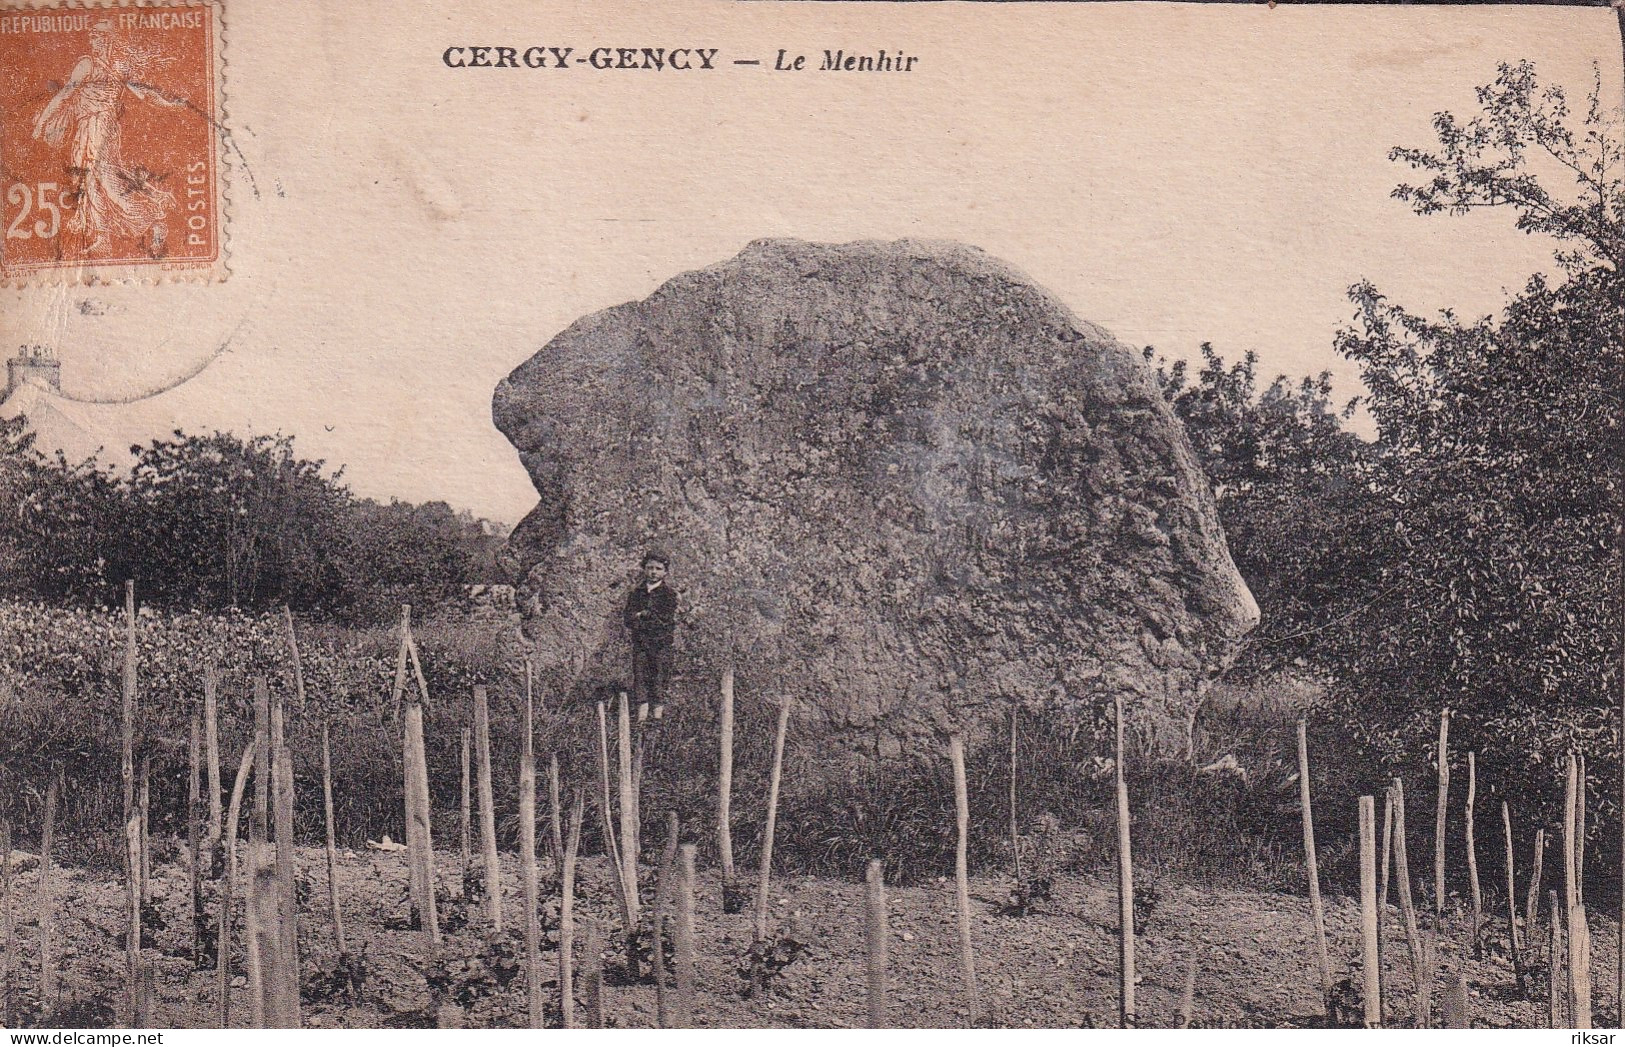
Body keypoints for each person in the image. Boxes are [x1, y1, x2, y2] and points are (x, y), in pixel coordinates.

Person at [32, 21, 187, 256]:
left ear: (109, 41)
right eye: (94, 38)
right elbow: (66, 95)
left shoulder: (99, 66)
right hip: (96, 128)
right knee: (93, 181)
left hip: (98, 127)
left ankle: (154, 218)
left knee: (106, 183)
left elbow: (143, 92)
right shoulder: (99, 65)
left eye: (100, 38)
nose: (96, 42)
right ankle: (105, 234)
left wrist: (170, 103)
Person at [623, 550, 678, 722]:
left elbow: (663, 620)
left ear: (665, 572)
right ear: (644, 569)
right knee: (640, 680)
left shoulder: (668, 595)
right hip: (640, 645)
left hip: (661, 646)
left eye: (658, 568)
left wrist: (643, 616)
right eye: (650, 568)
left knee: (659, 680)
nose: (653, 572)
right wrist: (641, 617)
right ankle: (641, 721)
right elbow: (628, 619)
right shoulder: (636, 593)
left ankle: (656, 722)